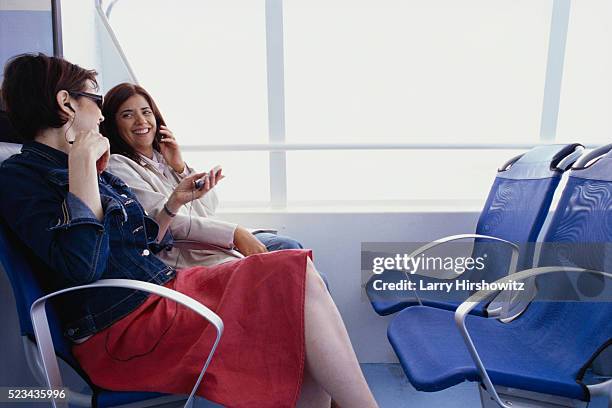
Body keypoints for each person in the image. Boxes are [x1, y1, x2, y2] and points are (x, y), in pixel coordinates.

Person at [0, 53, 377, 408]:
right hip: (124, 330)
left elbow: (142, 239)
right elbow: (82, 267)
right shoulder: (22, 177)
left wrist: (173, 198)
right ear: (67, 103)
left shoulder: (87, 167)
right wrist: (81, 165)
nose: (100, 116)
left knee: (295, 282)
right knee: (292, 277)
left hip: (160, 293)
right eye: (95, 101)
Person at [100, 82, 302, 268]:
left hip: (213, 242)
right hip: (187, 253)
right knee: (292, 258)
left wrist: (180, 168)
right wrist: (234, 232)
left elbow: (208, 209)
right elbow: (163, 222)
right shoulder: (118, 166)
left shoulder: (165, 159)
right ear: (113, 124)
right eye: (127, 115)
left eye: (146, 112)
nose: (141, 121)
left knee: (293, 250)